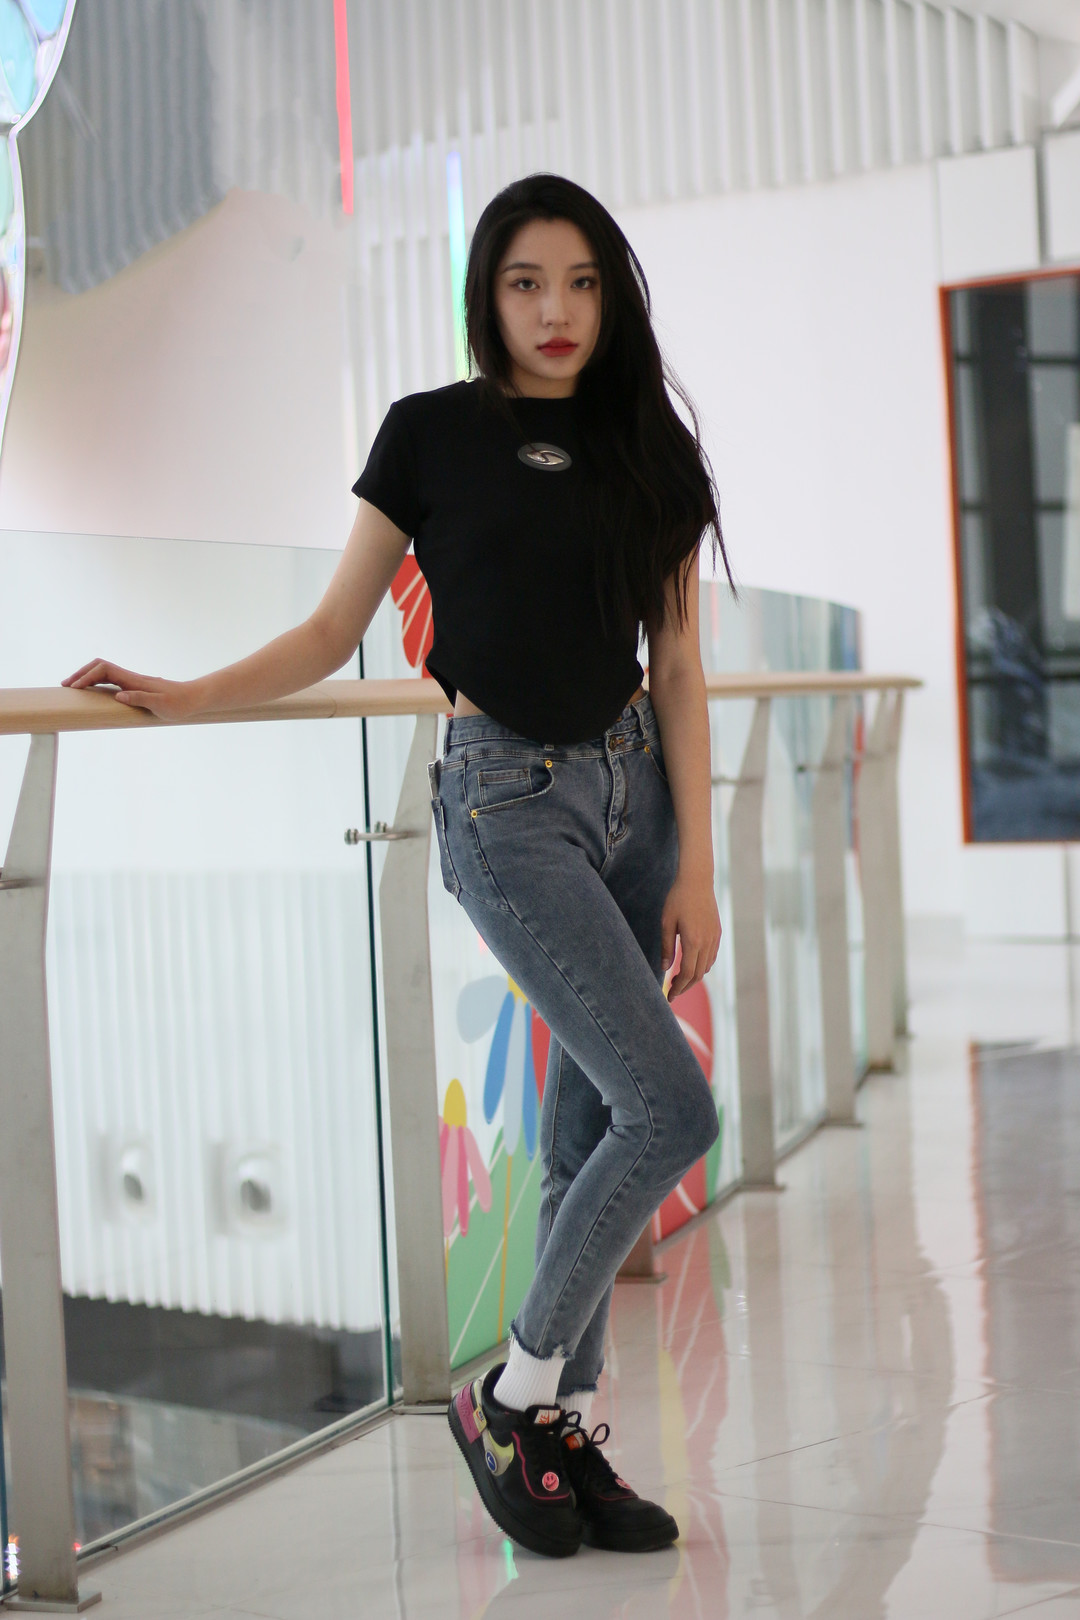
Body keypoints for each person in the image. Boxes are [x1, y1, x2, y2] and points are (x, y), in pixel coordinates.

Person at [64, 172, 734, 1562]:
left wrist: (700, 867)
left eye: (583, 283)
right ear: (488, 295)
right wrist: (182, 692)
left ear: (612, 298)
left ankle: (560, 1432)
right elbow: (331, 633)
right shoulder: (428, 434)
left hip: (636, 801)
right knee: (671, 1109)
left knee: (586, 1136)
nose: (556, 310)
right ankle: (515, 1392)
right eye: (527, 282)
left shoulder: (648, 447)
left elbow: (676, 664)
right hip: (508, 805)